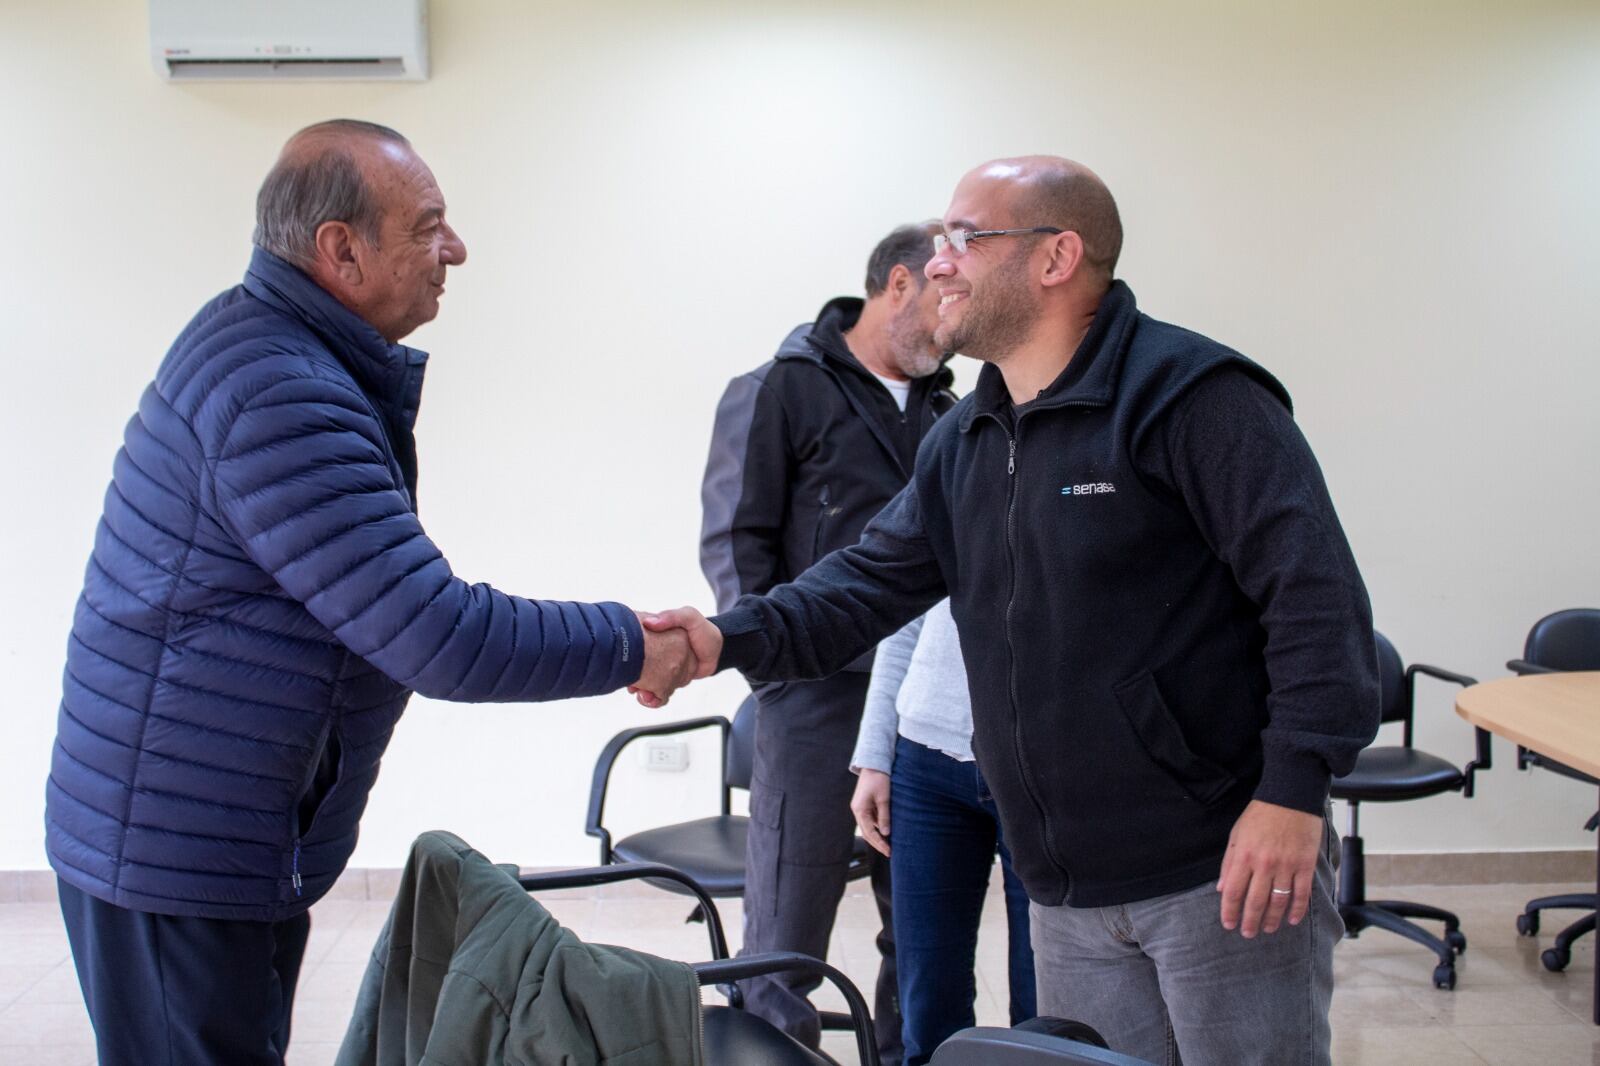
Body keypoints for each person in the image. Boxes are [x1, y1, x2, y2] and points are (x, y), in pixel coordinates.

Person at [639, 155, 1381, 1066]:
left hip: (1219, 868)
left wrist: (1292, 792)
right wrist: (723, 637)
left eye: (965, 237)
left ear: (1057, 257)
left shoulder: (1195, 399)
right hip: (1066, 889)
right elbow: (864, 582)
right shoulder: (966, 438)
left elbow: (1318, 604)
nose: (938, 261)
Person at [45, 119, 695, 1066]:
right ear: (340, 249)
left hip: (212, 831)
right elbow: (441, 634)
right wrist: (638, 642)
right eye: (429, 225)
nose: (456, 250)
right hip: (173, 849)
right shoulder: (278, 391)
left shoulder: (271, 346)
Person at [698, 222, 957, 1060]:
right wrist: (776, 678)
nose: (952, 317)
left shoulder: (953, 414)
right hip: (814, 695)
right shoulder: (778, 388)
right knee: (786, 928)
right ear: (895, 286)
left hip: (923, 704)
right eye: (940, 296)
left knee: (919, 925)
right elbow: (735, 545)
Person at [850, 598, 1036, 1065]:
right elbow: (902, 618)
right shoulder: (937, 519)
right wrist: (874, 754)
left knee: (1042, 999)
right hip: (925, 762)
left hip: (1041, 764)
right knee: (927, 1003)